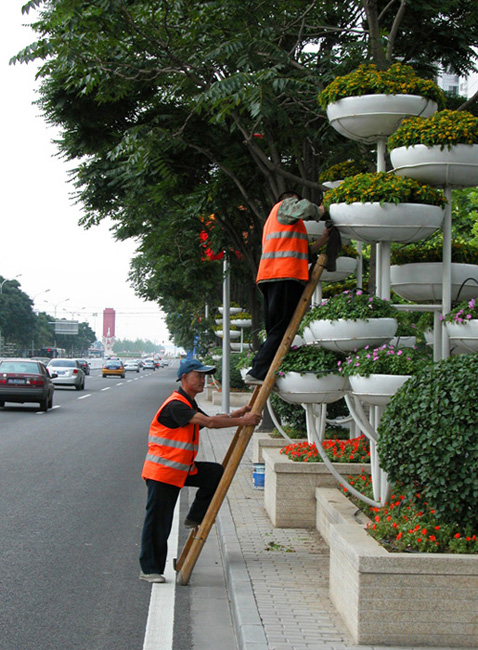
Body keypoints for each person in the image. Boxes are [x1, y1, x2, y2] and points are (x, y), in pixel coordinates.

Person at [139, 358, 262, 583]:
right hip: (163, 473)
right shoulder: (176, 405)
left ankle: (195, 517)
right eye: (199, 376)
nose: (203, 380)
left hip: (181, 470)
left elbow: (210, 419)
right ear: (185, 378)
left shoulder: (188, 403)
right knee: (158, 522)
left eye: (204, 376)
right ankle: (149, 569)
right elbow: (210, 423)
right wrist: (244, 421)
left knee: (215, 473)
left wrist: (236, 414)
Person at [245, 192, 331, 385]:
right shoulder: (284, 206)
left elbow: (302, 253)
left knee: (276, 329)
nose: (296, 204)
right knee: (282, 328)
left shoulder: (277, 224)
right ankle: (258, 370)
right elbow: (305, 208)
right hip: (284, 276)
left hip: (271, 277)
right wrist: (323, 210)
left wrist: (323, 239)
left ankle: (262, 370)